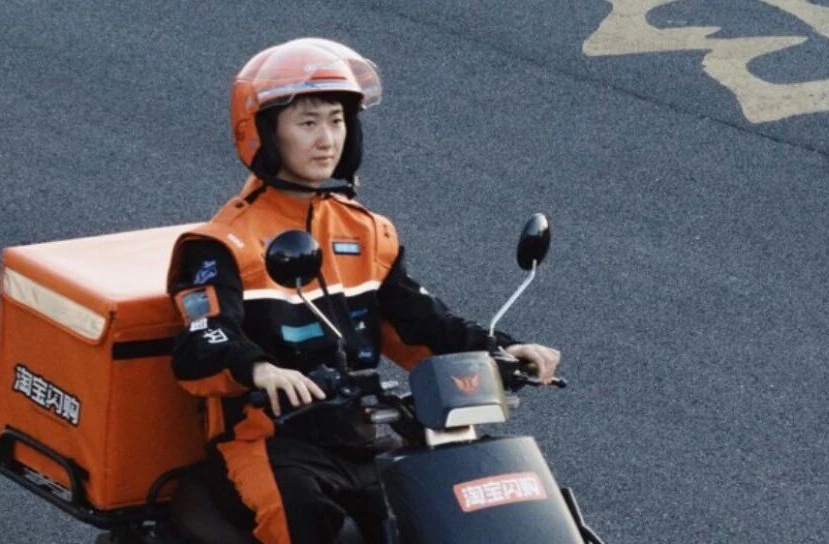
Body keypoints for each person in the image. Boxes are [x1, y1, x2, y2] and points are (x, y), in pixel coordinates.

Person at [165, 37, 561, 544]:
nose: (326, 139)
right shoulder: (223, 244)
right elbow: (202, 340)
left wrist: (502, 349)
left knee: (453, 505)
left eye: (336, 121)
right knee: (302, 520)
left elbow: (421, 325)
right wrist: (261, 369)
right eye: (307, 123)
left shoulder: (367, 231)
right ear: (263, 133)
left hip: (362, 432)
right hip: (270, 440)